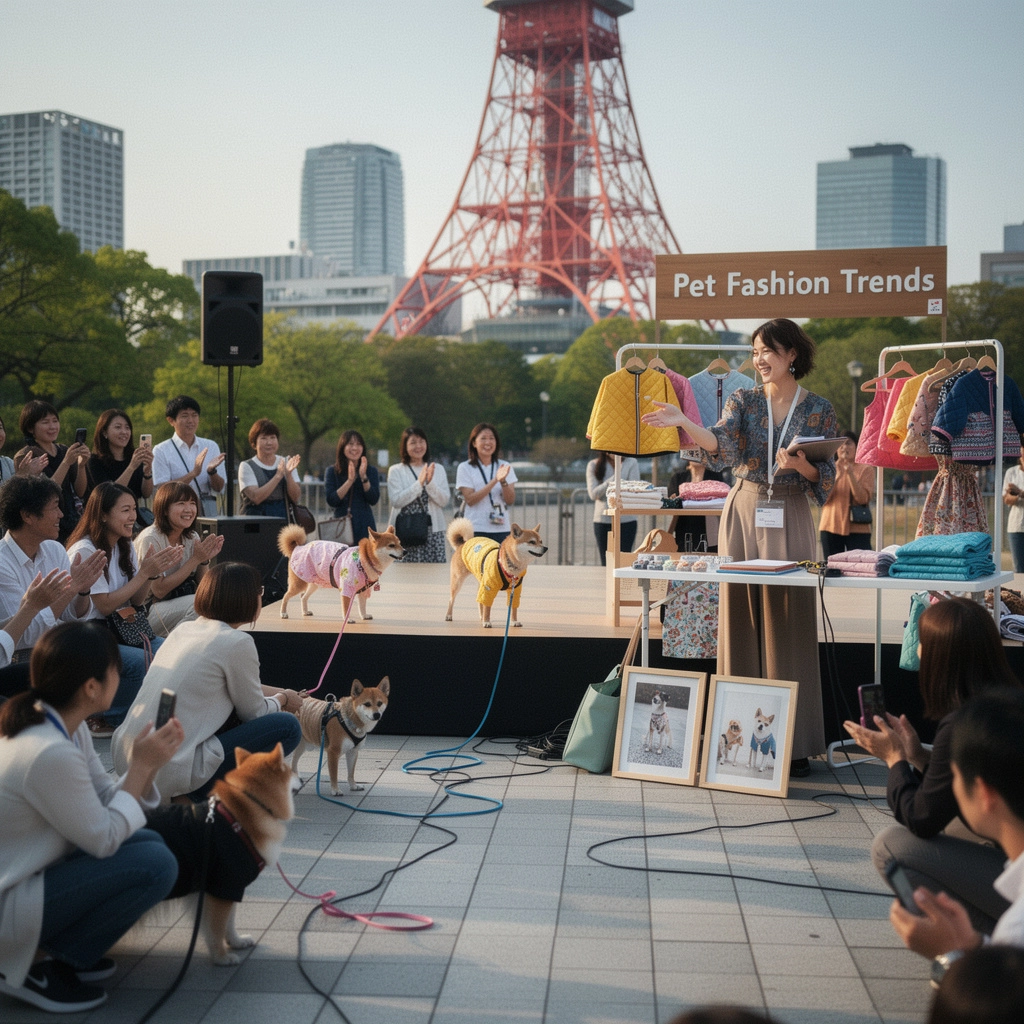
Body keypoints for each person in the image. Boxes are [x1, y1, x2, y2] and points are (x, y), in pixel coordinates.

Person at [642, 318, 837, 774]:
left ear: (792, 354)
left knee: (790, 621)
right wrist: (685, 421)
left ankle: (795, 742)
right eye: (754, 352)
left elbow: (825, 480)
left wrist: (800, 466)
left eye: (768, 351)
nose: (760, 360)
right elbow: (723, 446)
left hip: (791, 512)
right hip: (745, 510)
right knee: (740, 621)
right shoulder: (744, 399)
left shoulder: (820, 408)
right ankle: (738, 736)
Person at [0, 621, 183, 1013]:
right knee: (155, 863)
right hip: (10, 902)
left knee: (147, 843)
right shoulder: (48, 749)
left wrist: (145, 767)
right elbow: (103, 838)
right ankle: (31, 964)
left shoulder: (56, 723)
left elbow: (103, 799)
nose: (121, 675)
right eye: (116, 669)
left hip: (27, 879)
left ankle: (57, 954)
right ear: (91, 687)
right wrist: (140, 769)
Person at [844, 597, 1021, 931]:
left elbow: (921, 818)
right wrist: (917, 756)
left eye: (922, 642)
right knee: (955, 823)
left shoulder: (962, 724)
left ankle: (980, 947)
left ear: (942, 656)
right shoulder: (1006, 702)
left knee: (891, 847)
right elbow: (948, 794)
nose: (919, 651)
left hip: (1017, 873)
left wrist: (894, 760)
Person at [111, 562, 303, 802]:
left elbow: (240, 689)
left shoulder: (184, 631)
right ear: (246, 599)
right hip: (169, 767)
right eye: (260, 592)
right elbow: (254, 712)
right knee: (286, 726)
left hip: (128, 756)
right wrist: (283, 699)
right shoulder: (237, 642)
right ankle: (195, 794)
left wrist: (284, 694)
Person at [888, 690, 1024, 977]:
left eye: (954, 774)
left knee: (890, 845)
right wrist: (972, 943)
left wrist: (951, 956)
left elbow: (997, 1008)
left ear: (985, 793)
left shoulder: (1016, 931)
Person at [66, 483, 182, 733]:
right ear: (104, 515)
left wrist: (148, 573)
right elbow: (105, 605)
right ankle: (110, 717)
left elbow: (137, 601)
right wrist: (145, 575)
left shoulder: (124, 544)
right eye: (125, 510)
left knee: (175, 650)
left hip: (118, 630)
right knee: (141, 662)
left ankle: (158, 714)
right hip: (87, 635)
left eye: (134, 509)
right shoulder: (86, 549)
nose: (132, 517)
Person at [0, 475, 107, 663]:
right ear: (27, 516)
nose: (61, 514)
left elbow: (70, 615)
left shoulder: (54, 548)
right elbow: (25, 636)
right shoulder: (2, 562)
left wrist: (83, 590)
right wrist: (74, 586)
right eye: (54, 507)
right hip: (21, 660)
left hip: (58, 645)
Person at [134, 482, 224, 637]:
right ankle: (171, 650)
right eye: (181, 503)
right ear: (165, 509)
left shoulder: (191, 536)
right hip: (146, 611)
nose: (188, 509)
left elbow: (203, 586)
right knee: (198, 605)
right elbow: (159, 590)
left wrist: (203, 560)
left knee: (215, 600)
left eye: (192, 503)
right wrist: (195, 559)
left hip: (177, 604)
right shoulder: (151, 538)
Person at [18, 400, 90, 544]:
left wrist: (81, 466)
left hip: (70, 520)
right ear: (31, 428)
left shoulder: (63, 450)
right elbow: (46, 494)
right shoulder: (27, 455)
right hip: (45, 526)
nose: (52, 427)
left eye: (55, 421)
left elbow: (80, 491)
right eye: (45, 422)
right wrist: (66, 463)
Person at [0, 569, 75, 699]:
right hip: (19, 653)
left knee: (56, 671)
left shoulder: (55, 549)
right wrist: (30, 607)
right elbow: (26, 636)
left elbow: (73, 615)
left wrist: (25, 608)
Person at [150, 395, 225, 517]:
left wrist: (212, 471)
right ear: (171, 420)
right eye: (184, 416)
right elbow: (162, 490)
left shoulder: (211, 446)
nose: (191, 420)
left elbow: (219, 488)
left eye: (194, 415)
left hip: (205, 512)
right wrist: (193, 473)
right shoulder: (161, 450)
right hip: (174, 514)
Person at [387, 427, 450, 562]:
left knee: (435, 573)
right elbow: (396, 500)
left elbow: (444, 501)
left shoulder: (438, 469)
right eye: (413, 442)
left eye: (421, 441)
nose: (418, 446)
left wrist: (430, 483)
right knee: (406, 576)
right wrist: (419, 484)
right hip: (405, 531)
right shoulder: (396, 470)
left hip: (433, 532)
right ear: (405, 446)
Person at [455, 423, 518, 544]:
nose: (488, 442)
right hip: (475, 528)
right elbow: (470, 500)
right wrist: (495, 480)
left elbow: (510, 500)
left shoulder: (505, 466)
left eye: (491, 438)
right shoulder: (465, 467)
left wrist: (503, 481)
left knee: (499, 563)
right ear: (474, 443)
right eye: (483, 438)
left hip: (501, 528)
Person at [818, 431, 874, 559]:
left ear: (856, 446)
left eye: (848, 443)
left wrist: (850, 474)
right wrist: (837, 476)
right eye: (841, 444)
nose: (844, 447)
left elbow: (862, 499)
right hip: (830, 526)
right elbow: (823, 499)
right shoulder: (829, 468)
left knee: (860, 569)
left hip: (858, 528)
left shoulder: (866, 469)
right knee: (833, 569)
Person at [84, 409, 154, 507]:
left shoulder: (133, 457)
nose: (124, 432)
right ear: (104, 432)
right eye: (118, 427)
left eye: (127, 428)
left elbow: (146, 494)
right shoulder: (94, 461)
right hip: (106, 516)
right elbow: (109, 494)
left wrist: (147, 472)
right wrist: (131, 467)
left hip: (132, 516)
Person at [238, 418, 301, 519]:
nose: (269, 442)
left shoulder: (288, 462)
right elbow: (256, 497)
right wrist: (278, 476)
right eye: (264, 438)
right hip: (254, 523)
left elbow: (295, 497)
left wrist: (288, 475)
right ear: (254, 443)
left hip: (282, 522)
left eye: (273, 438)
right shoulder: (246, 466)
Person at [324, 429, 380, 542]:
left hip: (365, 524)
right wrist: (349, 481)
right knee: (344, 558)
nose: (355, 448)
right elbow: (332, 500)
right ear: (343, 447)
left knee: (363, 559)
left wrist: (364, 477)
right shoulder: (332, 471)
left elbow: (373, 499)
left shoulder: (371, 471)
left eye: (358, 444)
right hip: (341, 527)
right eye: (350, 444)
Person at [586, 451, 640, 565]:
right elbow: (594, 494)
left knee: (624, 561)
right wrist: (613, 480)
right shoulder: (593, 465)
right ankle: (607, 583)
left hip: (626, 520)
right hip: (603, 520)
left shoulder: (631, 462)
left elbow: (634, 489)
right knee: (606, 562)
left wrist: (609, 488)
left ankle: (623, 583)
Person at [1001, 454, 1024, 572]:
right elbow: (1006, 499)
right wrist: (1015, 495)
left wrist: (1019, 492)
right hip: (1016, 526)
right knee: (1019, 568)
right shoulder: (1012, 472)